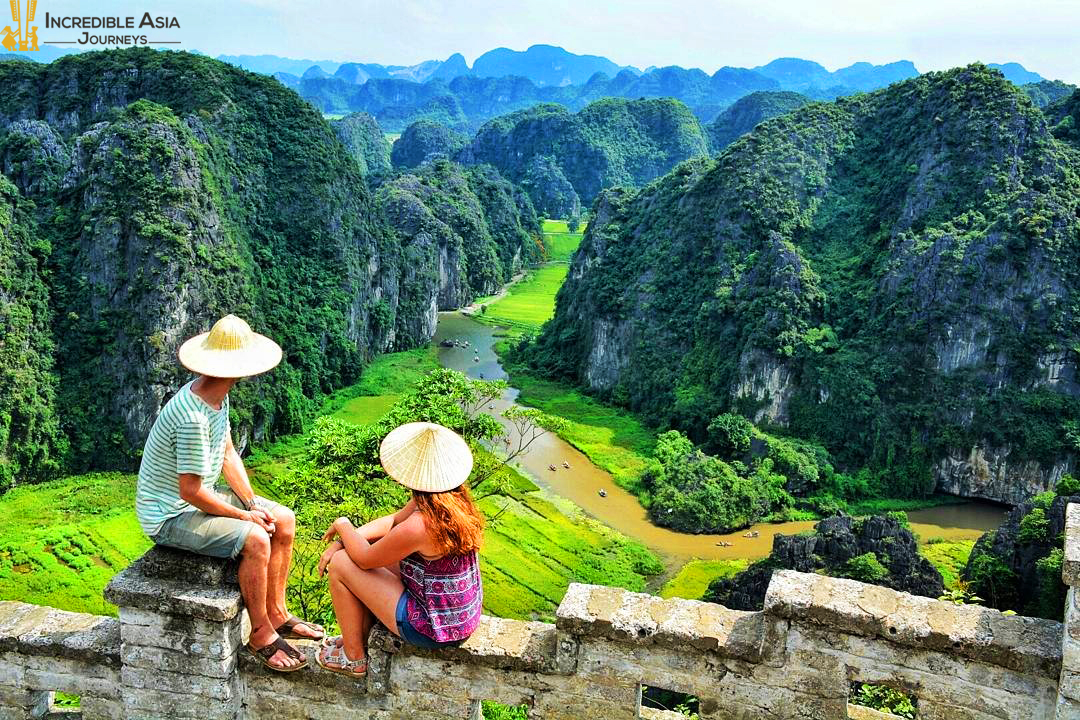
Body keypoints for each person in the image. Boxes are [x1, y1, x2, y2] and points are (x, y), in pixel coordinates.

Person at [135, 315, 324, 673]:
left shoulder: (215, 397)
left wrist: (252, 503)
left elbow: (227, 454)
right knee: (255, 539)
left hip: (200, 496)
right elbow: (189, 491)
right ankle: (262, 633)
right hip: (169, 515)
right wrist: (244, 517)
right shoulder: (193, 417)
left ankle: (278, 612)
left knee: (282, 519)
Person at [316, 422, 484, 677]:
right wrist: (347, 539)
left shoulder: (422, 524)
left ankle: (354, 658)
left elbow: (364, 559)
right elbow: (393, 521)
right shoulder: (452, 501)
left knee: (341, 563)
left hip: (431, 626)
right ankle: (356, 636)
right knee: (361, 550)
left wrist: (343, 526)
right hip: (457, 616)